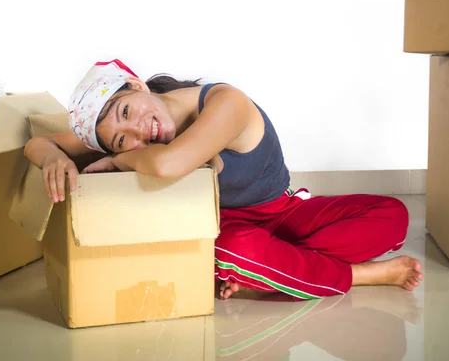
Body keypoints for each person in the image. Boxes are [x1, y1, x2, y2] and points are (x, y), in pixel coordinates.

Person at [24, 59, 424, 301]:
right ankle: (358, 276)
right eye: (121, 139)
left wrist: (118, 158)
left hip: (285, 212)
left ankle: (270, 274)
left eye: (128, 111)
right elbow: (37, 143)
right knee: (228, 250)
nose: (138, 135)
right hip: (228, 228)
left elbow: (168, 164)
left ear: (137, 85)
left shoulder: (224, 102)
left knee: (393, 215)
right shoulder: (137, 143)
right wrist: (56, 161)